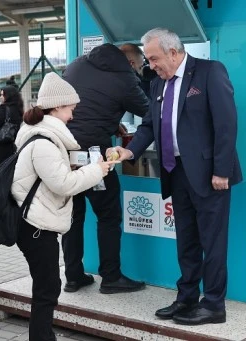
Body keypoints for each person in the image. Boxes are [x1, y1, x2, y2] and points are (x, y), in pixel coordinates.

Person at [109, 28, 242, 326]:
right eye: (148, 59)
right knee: (187, 241)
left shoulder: (209, 72)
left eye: (154, 58)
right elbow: (147, 127)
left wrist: (222, 170)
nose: (151, 65)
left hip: (210, 175)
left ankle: (214, 305)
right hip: (176, 172)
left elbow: (226, 123)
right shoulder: (157, 84)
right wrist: (128, 153)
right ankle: (187, 298)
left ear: (173, 52)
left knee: (213, 241)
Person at [11, 72, 116, 341]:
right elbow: (64, 185)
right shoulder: (45, 140)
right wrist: (97, 170)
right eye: (71, 108)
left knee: (46, 287)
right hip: (36, 226)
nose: (73, 115)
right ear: (57, 106)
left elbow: (51, 177)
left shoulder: (36, 133)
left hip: (33, 221)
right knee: (47, 290)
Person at [61, 43, 149, 294]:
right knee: (108, 216)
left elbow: (87, 106)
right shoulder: (125, 77)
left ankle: (73, 276)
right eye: (142, 66)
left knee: (72, 217)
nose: (142, 71)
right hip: (94, 157)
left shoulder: (77, 64)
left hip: (66, 154)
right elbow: (150, 111)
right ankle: (111, 277)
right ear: (132, 63)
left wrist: (111, 123)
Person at [0, 85, 23, 165]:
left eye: (2, 95)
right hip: (12, 143)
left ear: (9, 96)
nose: (1, 97)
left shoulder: (4, 109)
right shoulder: (18, 108)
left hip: (2, 144)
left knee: (1, 168)